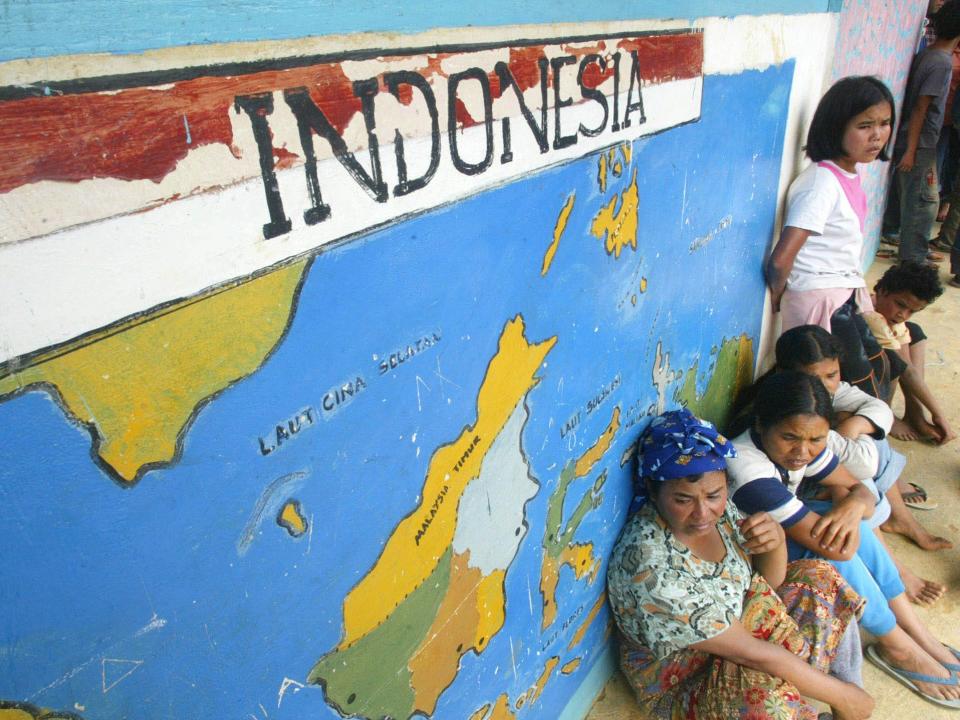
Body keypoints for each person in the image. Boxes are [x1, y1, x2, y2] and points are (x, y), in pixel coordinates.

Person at [607, 409, 873, 720]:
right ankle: (841, 700)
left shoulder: (722, 516)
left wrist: (774, 543)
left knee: (818, 577)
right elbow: (751, 654)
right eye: (682, 500)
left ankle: (845, 700)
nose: (702, 513)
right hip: (690, 680)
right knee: (763, 699)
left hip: (746, 633)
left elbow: (769, 587)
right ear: (653, 491)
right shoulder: (649, 567)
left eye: (713, 495)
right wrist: (841, 696)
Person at [726, 372, 960, 709]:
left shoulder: (803, 442)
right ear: (761, 425)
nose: (802, 451)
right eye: (790, 437)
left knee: (848, 525)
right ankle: (899, 647)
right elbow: (838, 544)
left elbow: (864, 490)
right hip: (753, 567)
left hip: (783, 540)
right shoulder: (748, 468)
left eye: (816, 440)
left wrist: (852, 505)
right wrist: (854, 506)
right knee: (833, 549)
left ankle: (918, 635)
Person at [773, 324, 951, 606]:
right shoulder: (795, 416)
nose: (824, 386)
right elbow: (863, 467)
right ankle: (897, 572)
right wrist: (850, 433)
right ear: (786, 375)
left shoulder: (825, 394)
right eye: (813, 377)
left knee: (872, 434)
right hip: (798, 492)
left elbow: (879, 408)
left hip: (823, 472)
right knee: (862, 474)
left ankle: (898, 519)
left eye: (831, 375)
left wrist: (855, 424)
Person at [767, 76, 895, 397]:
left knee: (882, 363)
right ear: (836, 127)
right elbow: (782, 260)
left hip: (842, 293)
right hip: (821, 299)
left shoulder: (847, 173)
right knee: (853, 388)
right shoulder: (821, 183)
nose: (877, 134)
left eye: (884, 123)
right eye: (865, 125)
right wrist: (780, 296)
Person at [890, 1, 960, 265]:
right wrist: (910, 150)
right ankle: (914, 256)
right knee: (924, 202)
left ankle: (915, 250)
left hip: (917, 142)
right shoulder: (941, 63)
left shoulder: (929, 54)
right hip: (919, 144)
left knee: (920, 199)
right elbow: (921, 106)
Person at [864, 261, 956, 443]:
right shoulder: (871, 316)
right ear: (882, 291)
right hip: (854, 372)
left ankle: (915, 412)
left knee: (915, 333)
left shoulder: (890, 314)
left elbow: (909, 365)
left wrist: (931, 411)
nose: (903, 315)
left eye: (912, 311)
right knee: (895, 362)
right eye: (900, 305)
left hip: (878, 350)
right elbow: (905, 369)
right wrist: (939, 415)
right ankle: (886, 413)